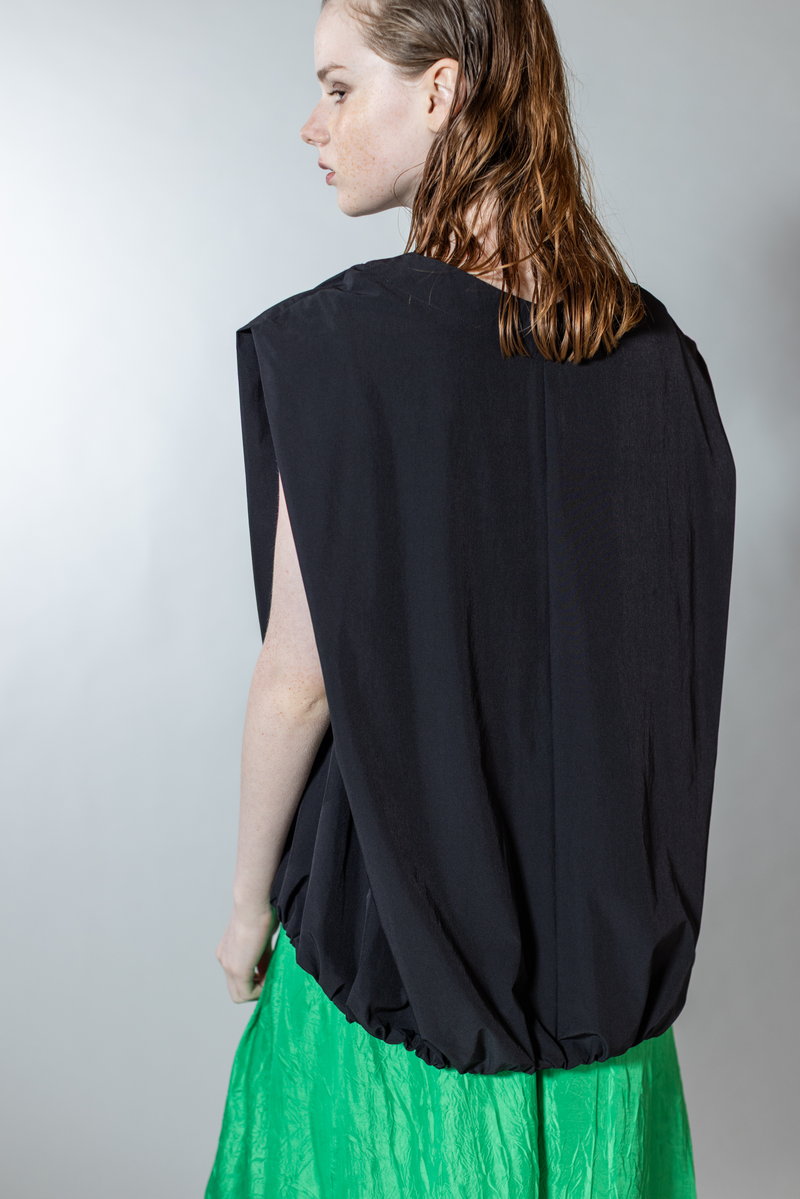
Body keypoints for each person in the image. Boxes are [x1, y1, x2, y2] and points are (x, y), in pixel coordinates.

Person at [204, 1, 736, 1196]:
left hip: (393, 987)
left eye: (338, 87)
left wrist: (245, 907)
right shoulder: (661, 362)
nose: (312, 125)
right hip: (606, 1006)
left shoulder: (341, 351)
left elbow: (298, 684)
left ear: (440, 90)